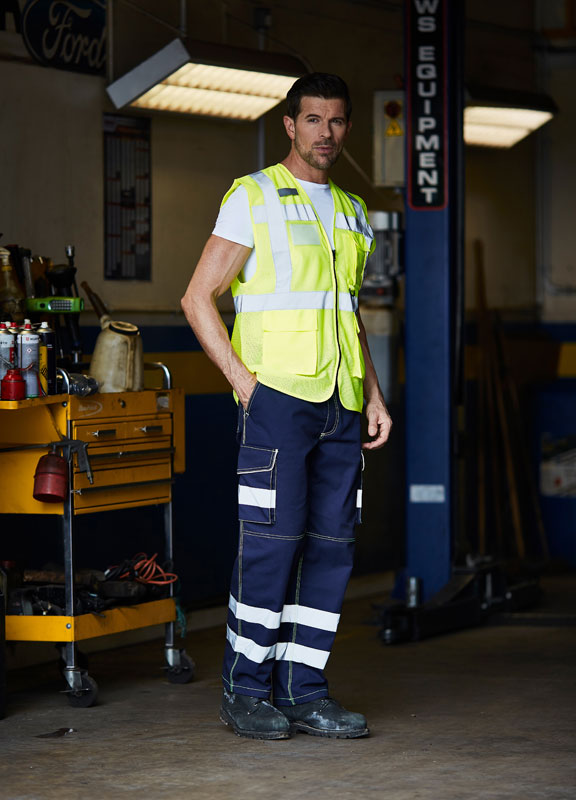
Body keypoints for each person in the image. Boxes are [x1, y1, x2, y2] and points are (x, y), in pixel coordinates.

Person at [181, 73, 392, 740]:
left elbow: (347, 312)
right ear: (290, 125)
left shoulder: (353, 211)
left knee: (332, 549)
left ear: (347, 127)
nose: (326, 133)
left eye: (337, 120)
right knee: (272, 546)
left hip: (341, 403)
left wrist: (373, 393)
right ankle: (244, 690)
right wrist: (244, 384)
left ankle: (304, 690)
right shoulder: (254, 197)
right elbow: (196, 298)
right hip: (278, 400)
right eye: (313, 120)